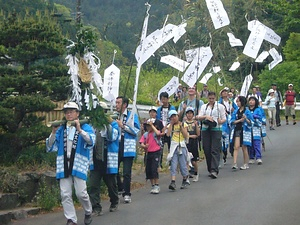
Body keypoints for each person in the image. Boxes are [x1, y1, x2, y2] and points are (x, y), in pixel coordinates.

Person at [46, 102, 95, 225]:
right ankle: (71, 219)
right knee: (65, 194)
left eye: (72, 111)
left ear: (77, 113)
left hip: (78, 164)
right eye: (66, 112)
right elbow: (51, 145)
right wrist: (53, 132)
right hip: (64, 163)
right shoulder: (61, 128)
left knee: (81, 193)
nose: (69, 114)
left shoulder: (85, 126)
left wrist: (79, 130)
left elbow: (91, 141)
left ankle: (88, 211)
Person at [89, 108, 120, 216]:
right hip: (95, 158)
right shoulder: (92, 125)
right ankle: (96, 207)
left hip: (108, 159)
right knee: (93, 185)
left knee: (111, 184)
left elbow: (113, 136)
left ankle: (114, 201)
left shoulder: (114, 124)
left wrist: (107, 123)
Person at [115, 96, 140, 204]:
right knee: (113, 170)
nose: (116, 105)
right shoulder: (114, 116)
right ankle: (120, 187)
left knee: (126, 172)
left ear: (124, 105)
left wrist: (123, 126)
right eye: (116, 103)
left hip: (127, 146)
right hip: (116, 146)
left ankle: (127, 193)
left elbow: (136, 130)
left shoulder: (132, 115)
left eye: (118, 103)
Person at [198, 92, 226, 179]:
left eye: (212, 98)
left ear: (215, 98)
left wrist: (220, 121)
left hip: (216, 129)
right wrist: (206, 117)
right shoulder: (204, 107)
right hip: (205, 129)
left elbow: (224, 118)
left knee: (215, 149)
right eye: (209, 98)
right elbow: (199, 116)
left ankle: (214, 169)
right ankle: (210, 168)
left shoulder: (220, 106)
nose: (211, 100)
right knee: (206, 149)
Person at [166, 110, 190, 190]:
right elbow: (168, 134)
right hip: (173, 147)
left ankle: (185, 179)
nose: (173, 118)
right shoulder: (170, 125)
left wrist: (181, 127)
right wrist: (171, 125)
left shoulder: (183, 124)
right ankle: (173, 181)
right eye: (171, 117)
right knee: (173, 164)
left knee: (183, 164)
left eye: (175, 116)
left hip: (181, 146)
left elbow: (186, 135)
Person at [230, 96, 253, 170]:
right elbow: (232, 121)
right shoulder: (236, 111)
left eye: (238, 101)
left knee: (244, 147)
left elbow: (251, 122)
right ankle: (234, 163)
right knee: (236, 147)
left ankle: (245, 163)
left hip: (245, 130)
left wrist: (245, 118)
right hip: (237, 129)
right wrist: (240, 120)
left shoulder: (247, 111)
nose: (237, 103)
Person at [139, 118, 162, 194]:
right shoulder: (146, 134)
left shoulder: (155, 133)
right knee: (148, 170)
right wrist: (144, 146)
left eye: (150, 126)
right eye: (147, 126)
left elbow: (158, 133)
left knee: (154, 168)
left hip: (156, 152)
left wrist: (152, 126)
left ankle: (156, 185)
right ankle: (152, 185)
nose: (149, 128)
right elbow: (141, 142)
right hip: (148, 153)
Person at [219, 88, 237, 165]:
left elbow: (236, 108)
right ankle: (224, 153)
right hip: (224, 122)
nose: (225, 93)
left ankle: (232, 149)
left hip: (230, 120)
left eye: (226, 92)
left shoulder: (231, 101)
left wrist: (233, 111)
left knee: (231, 136)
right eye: (223, 92)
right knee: (224, 137)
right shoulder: (220, 102)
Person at [185, 107, 200, 182]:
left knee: (194, 161)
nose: (189, 115)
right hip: (187, 142)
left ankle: (196, 173)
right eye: (188, 113)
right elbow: (184, 134)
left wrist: (196, 125)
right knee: (187, 160)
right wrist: (190, 136)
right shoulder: (184, 123)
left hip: (194, 143)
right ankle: (186, 176)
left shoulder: (195, 123)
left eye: (191, 113)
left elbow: (198, 134)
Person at [247, 96, 263, 165]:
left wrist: (254, 116)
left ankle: (258, 157)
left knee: (256, 143)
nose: (251, 102)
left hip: (256, 128)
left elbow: (260, 117)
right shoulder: (246, 109)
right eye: (250, 100)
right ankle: (251, 157)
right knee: (250, 144)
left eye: (253, 100)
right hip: (248, 128)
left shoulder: (258, 109)